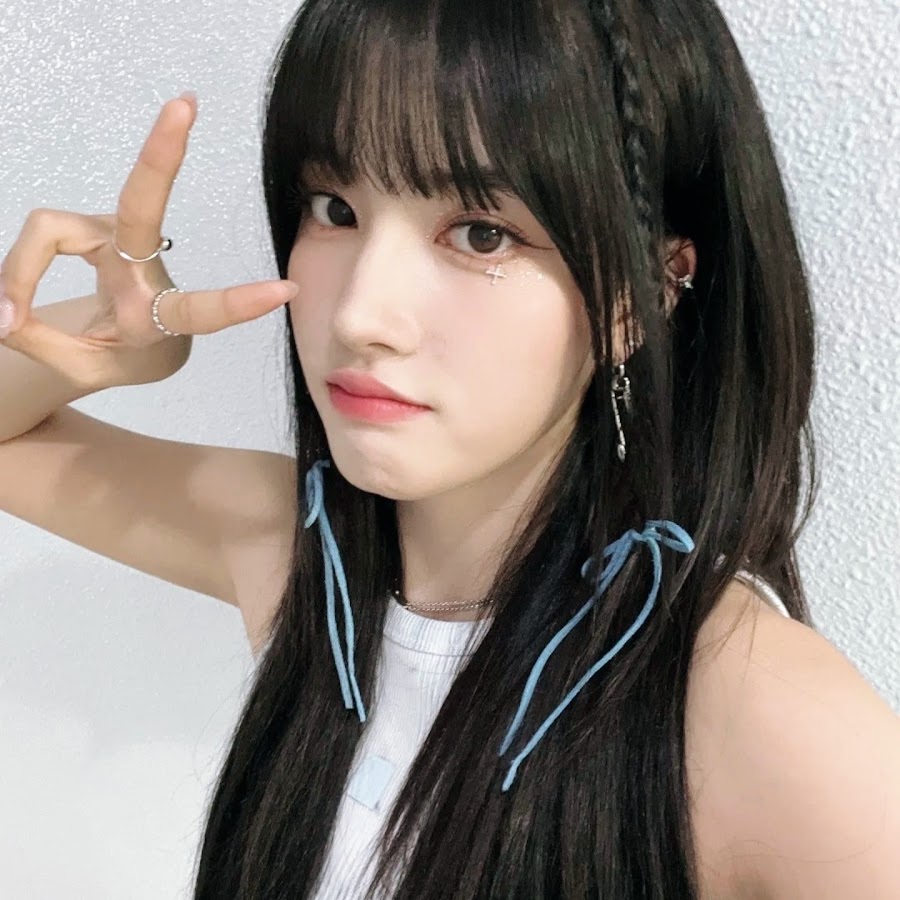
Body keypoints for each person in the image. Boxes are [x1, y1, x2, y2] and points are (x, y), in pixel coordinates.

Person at [1, 0, 898, 897]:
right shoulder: (301, 557)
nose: (361, 315)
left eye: (481, 234)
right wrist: (125, 338)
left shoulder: (757, 713)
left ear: (646, 293)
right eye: (335, 208)